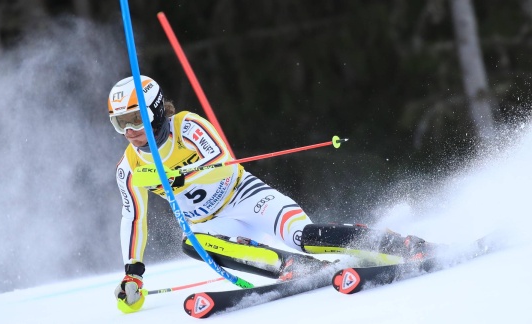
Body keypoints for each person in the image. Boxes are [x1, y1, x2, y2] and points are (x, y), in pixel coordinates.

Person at [109, 75, 435, 311]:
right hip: (215, 225)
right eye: (120, 123)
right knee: (191, 243)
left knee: (302, 234)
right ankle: (293, 267)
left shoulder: (187, 127)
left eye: (135, 119)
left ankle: (398, 244)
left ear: (155, 110)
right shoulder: (130, 168)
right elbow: (133, 218)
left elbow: (221, 160)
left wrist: (176, 178)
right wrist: (132, 273)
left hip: (245, 196)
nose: (130, 131)